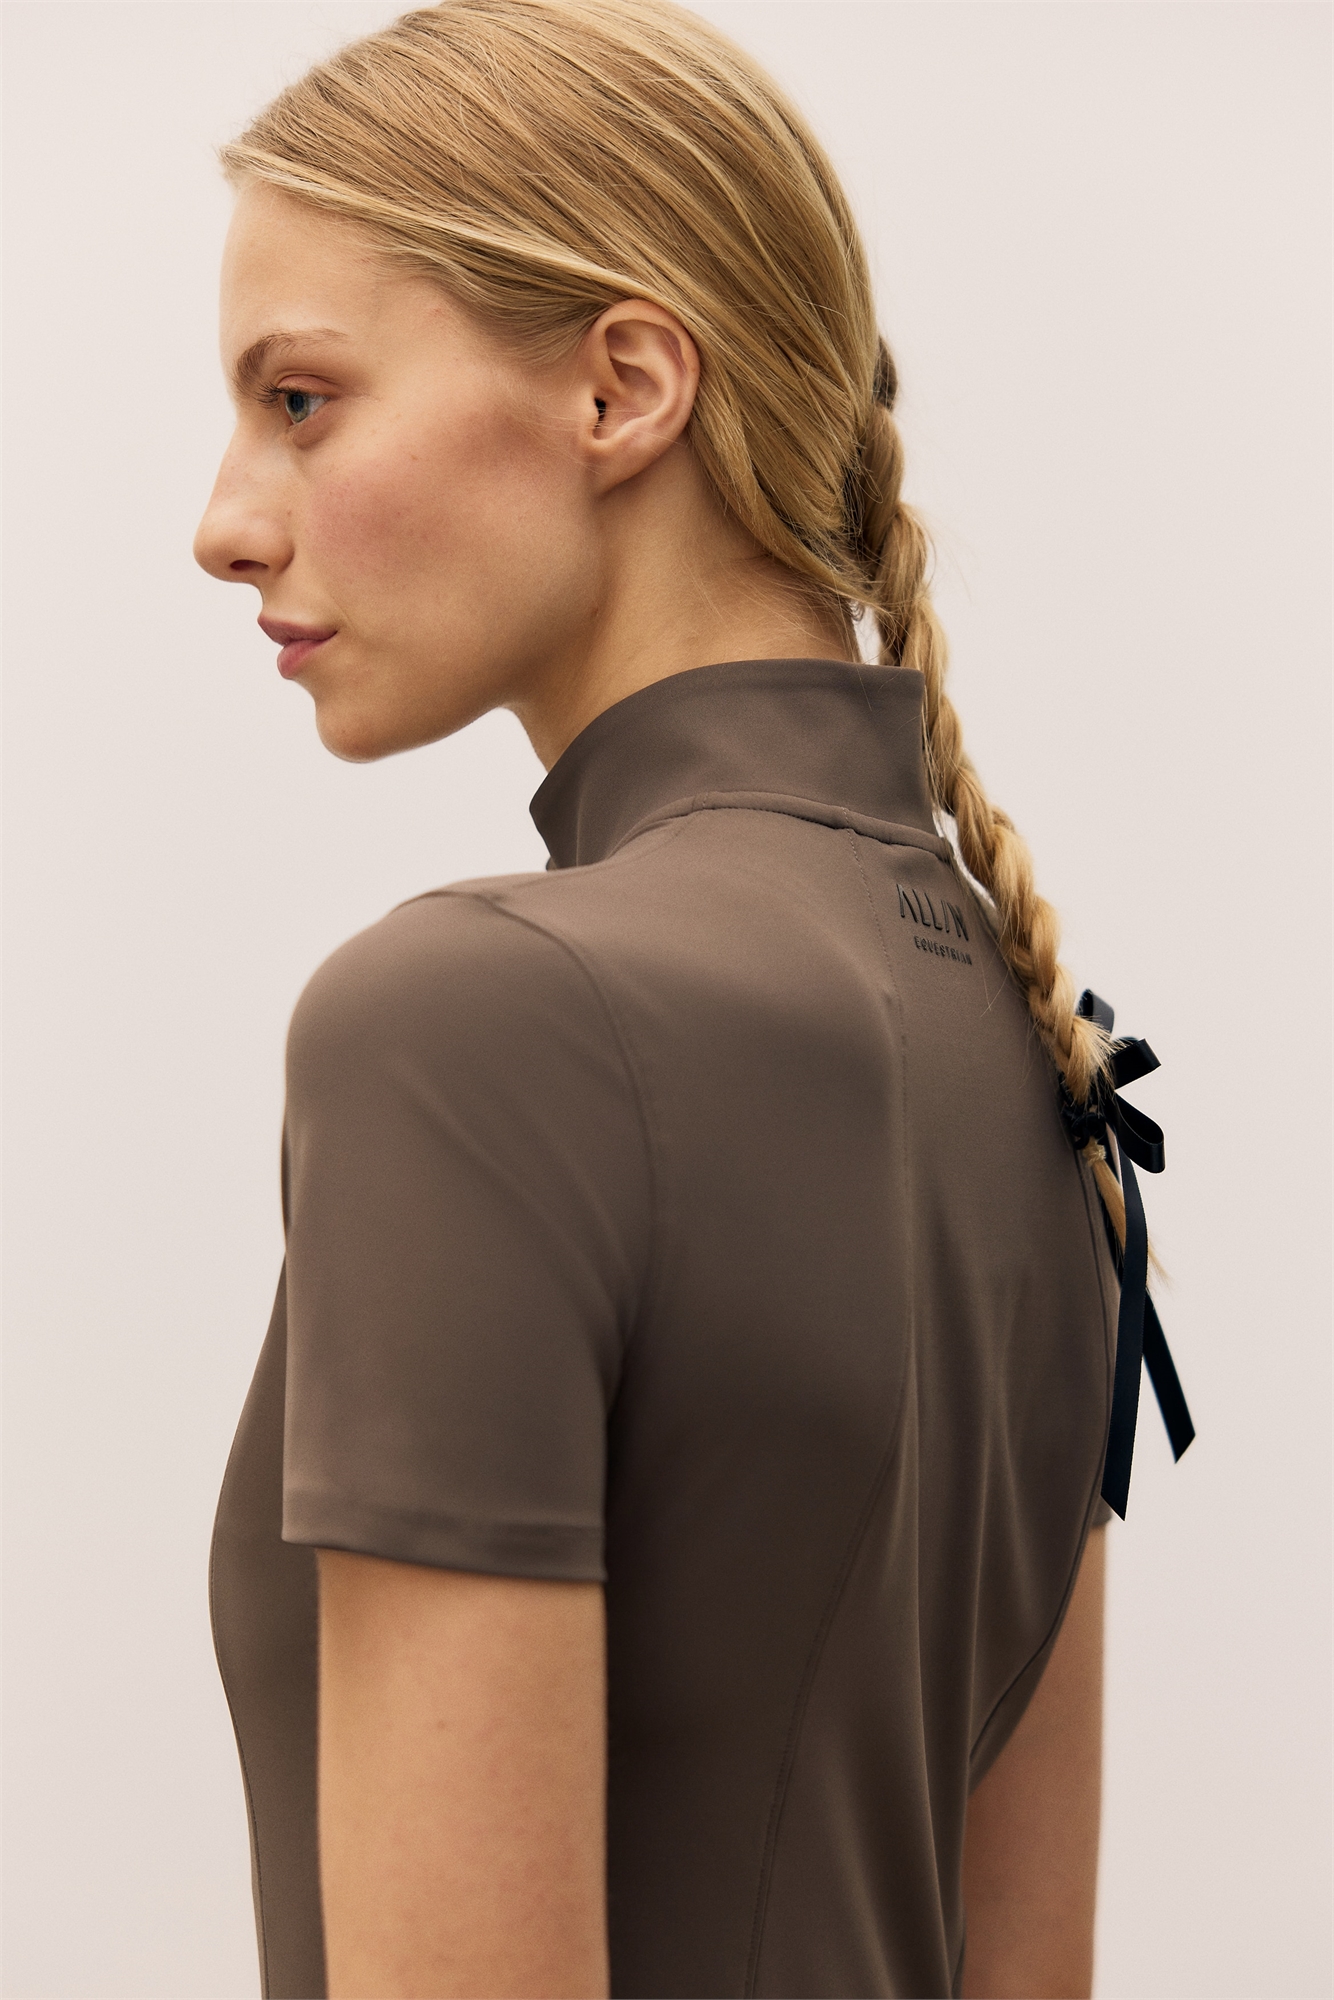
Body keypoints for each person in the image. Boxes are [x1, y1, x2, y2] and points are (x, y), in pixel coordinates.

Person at [194, 3, 1130, 1993]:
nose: (227, 521)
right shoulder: (1041, 1059)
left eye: (301, 400)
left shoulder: (471, 1030)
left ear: (621, 389)